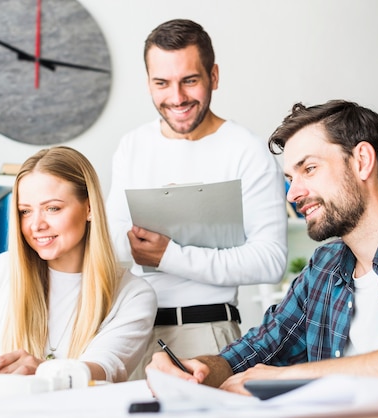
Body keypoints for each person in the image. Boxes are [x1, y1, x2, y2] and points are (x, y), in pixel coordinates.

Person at [146, 99, 378, 394]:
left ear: (362, 161)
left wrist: (295, 375)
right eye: (290, 178)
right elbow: (258, 349)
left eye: (309, 169)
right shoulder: (324, 268)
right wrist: (194, 371)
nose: (293, 194)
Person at [105, 18, 287, 378]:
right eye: (162, 83)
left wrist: (168, 255)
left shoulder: (247, 151)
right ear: (149, 84)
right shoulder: (133, 146)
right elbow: (112, 243)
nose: (177, 98)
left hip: (209, 333)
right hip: (131, 331)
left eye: (189, 80)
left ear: (213, 76)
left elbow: (270, 260)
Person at [0, 146, 157, 383]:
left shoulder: (133, 294)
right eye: (25, 211)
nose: (36, 225)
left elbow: (106, 368)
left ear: (89, 208)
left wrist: (43, 371)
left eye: (52, 208)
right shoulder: (2, 271)